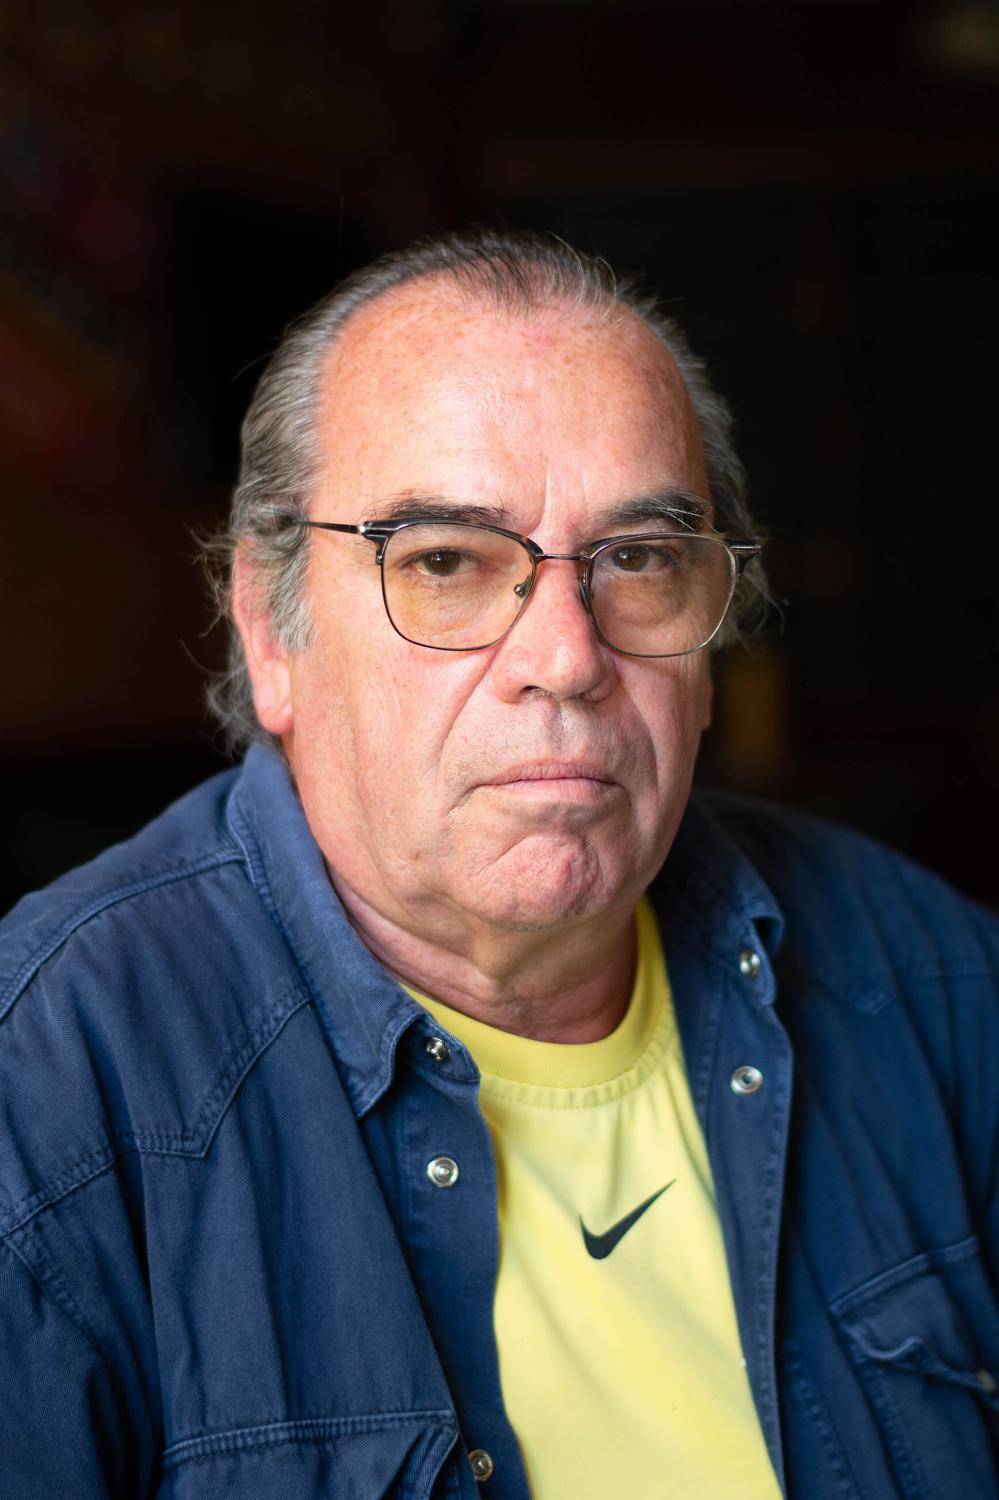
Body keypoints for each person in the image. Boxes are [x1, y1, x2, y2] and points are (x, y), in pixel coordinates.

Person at [0, 230, 996, 1500]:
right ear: (270, 630)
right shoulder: (49, 1097)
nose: (567, 659)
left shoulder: (938, 984)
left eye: (638, 559)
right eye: (446, 563)